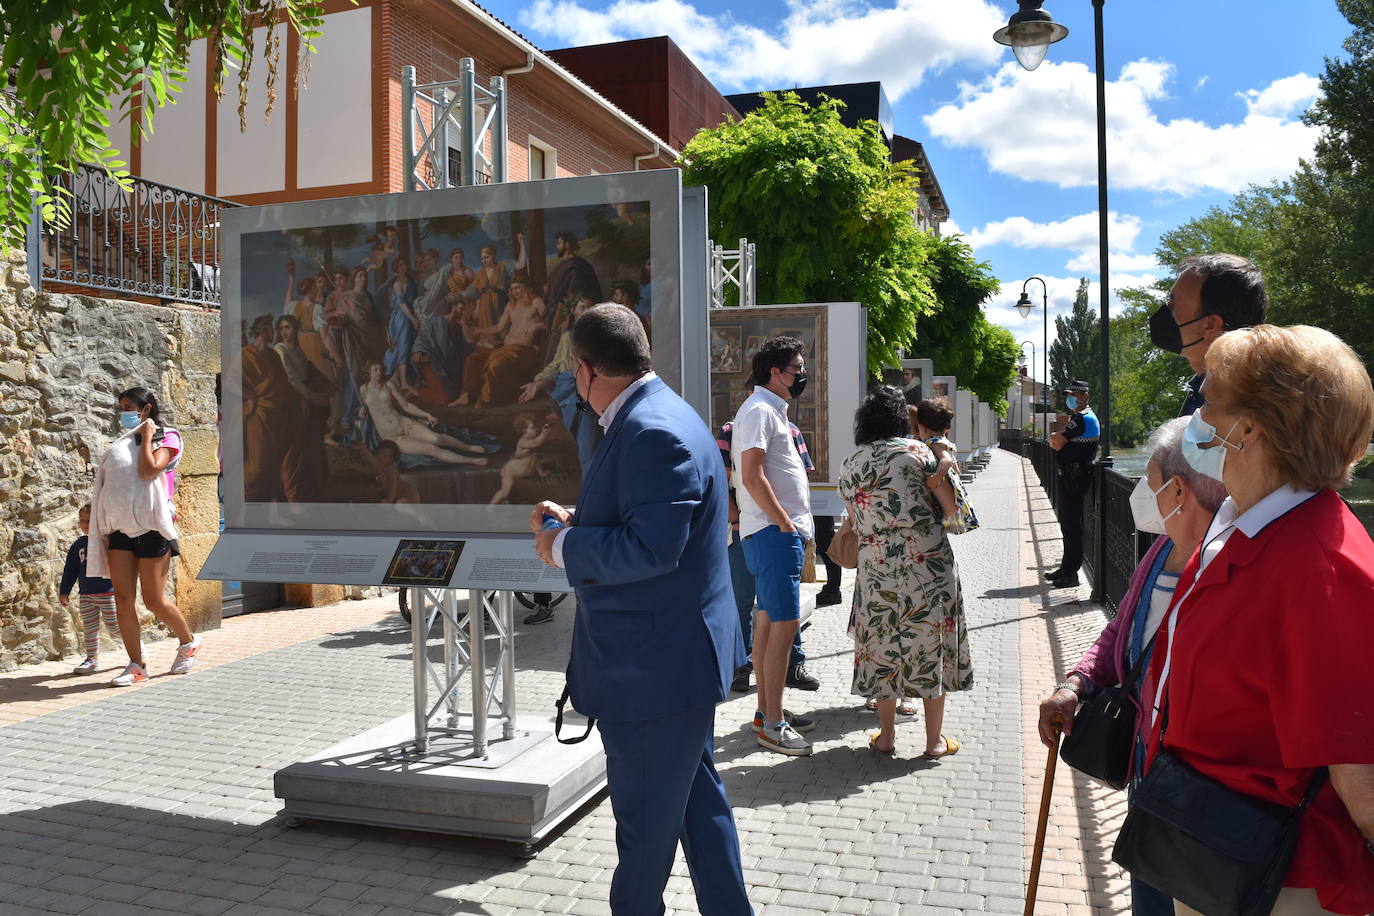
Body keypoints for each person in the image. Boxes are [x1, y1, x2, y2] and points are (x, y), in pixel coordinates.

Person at [1133, 325, 1374, 915]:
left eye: (1208, 399)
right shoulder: (1243, 522)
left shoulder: (1322, 567)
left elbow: (1361, 776)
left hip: (1277, 880)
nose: (1195, 415)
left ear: (1248, 429)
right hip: (1211, 847)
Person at [530, 303, 751, 916]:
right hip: (672, 666)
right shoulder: (658, 414)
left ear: (585, 369)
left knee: (645, 830)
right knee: (699, 809)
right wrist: (579, 521)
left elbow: (652, 548)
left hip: (654, 673)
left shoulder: (650, 430)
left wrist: (562, 546)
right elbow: (654, 520)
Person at [1036, 416, 1226, 916]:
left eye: (1150, 478)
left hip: (1198, 788)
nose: (1142, 490)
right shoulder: (1161, 548)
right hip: (1147, 765)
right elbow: (1120, 630)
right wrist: (1076, 684)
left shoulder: (1229, 567)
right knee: (1150, 893)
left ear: (1179, 491)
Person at [837, 385, 972, 757]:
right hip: (926, 565)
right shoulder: (920, 453)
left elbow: (855, 521)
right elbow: (956, 516)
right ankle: (933, 742)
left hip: (876, 567)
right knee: (930, 645)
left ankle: (886, 737)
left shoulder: (851, 463)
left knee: (881, 645)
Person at [731, 336, 816, 756]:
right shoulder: (760, 410)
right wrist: (784, 523)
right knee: (782, 626)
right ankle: (774, 726)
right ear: (774, 372)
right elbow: (752, 475)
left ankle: (767, 712)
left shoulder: (766, 410)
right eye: (797, 368)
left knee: (768, 625)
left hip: (772, 534)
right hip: (773, 535)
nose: (802, 375)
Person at [87, 387, 201, 687]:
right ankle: (136, 665)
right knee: (123, 598)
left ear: (146, 408)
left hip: (153, 529)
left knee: (154, 600)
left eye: (129, 407)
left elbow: (150, 470)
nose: (123, 413)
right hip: (121, 530)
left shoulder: (168, 438)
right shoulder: (122, 443)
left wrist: (148, 436)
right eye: (121, 407)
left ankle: (188, 642)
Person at [716, 419, 821, 699]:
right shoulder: (731, 430)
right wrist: (735, 519)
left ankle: (793, 664)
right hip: (745, 529)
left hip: (782, 529)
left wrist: (794, 525)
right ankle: (741, 665)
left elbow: (800, 478)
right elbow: (720, 481)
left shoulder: (791, 430)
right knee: (742, 601)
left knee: (784, 601)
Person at [1149, 254, 1267, 416]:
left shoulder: (1241, 409)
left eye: (1174, 303)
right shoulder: (1205, 386)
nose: (1165, 309)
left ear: (1210, 324)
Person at [519, 293, 601, 470]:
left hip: (594, 383)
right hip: (570, 386)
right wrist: (538, 382)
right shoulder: (568, 337)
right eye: (582, 307)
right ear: (573, 311)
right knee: (584, 411)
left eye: (590, 307)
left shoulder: (600, 335)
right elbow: (556, 364)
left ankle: (594, 465)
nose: (587, 311)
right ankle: (589, 463)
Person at [358, 362, 489, 465]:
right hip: (391, 436)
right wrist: (361, 409)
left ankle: (468, 447)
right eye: (375, 369)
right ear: (368, 371)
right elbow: (366, 405)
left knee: (436, 439)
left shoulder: (389, 385)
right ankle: (470, 460)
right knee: (430, 449)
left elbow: (406, 405)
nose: (379, 372)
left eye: (380, 369)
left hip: (404, 423)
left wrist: (426, 415)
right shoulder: (363, 389)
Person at [455, 273, 546, 408]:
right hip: (505, 348)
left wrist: (536, 326)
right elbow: (498, 328)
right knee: (473, 359)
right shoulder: (510, 305)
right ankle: (466, 396)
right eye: (512, 289)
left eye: (518, 288)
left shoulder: (536, 302)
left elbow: (550, 323)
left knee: (496, 365)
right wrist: (480, 330)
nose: (514, 292)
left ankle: (485, 401)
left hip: (524, 350)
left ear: (527, 288)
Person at [1045, 380, 1099, 587]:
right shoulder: (1083, 417)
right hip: (1074, 476)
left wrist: (1054, 436)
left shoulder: (1081, 419)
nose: (1070, 399)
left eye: (1074, 395)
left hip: (1075, 477)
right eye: (1069, 395)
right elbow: (1057, 440)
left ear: (1085, 396)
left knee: (1072, 525)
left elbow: (1057, 442)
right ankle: (1066, 568)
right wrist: (1055, 437)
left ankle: (1071, 573)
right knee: (1069, 524)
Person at [60, 504, 120, 675]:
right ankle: (92, 659)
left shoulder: (108, 540)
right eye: (82, 520)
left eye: (89, 520)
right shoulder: (79, 544)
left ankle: (136, 649)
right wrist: (64, 591)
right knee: (90, 628)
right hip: (86, 594)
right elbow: (70, 569)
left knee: (115, 626)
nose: (85, 524)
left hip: (108, 592)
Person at [910, 398, 963, 529]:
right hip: (953, 492)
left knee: (943, 521)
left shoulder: (934, 442)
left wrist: (935, 479)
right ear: (946, 428)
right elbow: (956, 469)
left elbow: (947, 460)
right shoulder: (943, 440)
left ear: (922, 428)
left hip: (943, 490)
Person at [383, 255, 420, 378]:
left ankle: (403, 378)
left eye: (404, 264)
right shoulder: (396, 284)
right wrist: (413, 319)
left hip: (411, 313)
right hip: (402, 318)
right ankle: (403, 381)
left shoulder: (410, 280)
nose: (403, 266)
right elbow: (402, 304)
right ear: (396, 268)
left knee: (410, 345)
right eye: (400, 265)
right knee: (402, 346)